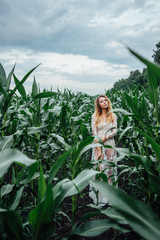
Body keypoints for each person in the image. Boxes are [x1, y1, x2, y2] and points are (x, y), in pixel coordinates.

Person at [89, 95, 117, 206]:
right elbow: (94, 133)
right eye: (101, 101)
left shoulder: (113, 115)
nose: (104, 102)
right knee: (99, 170)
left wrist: (104, 138)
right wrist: (98, 145)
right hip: (98, 145)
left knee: (110, 170)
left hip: (110, 144)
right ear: (98, 104)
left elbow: (115, 131)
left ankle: (109, 197)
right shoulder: (95, 116)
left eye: (105, 100)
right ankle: (100, 197)